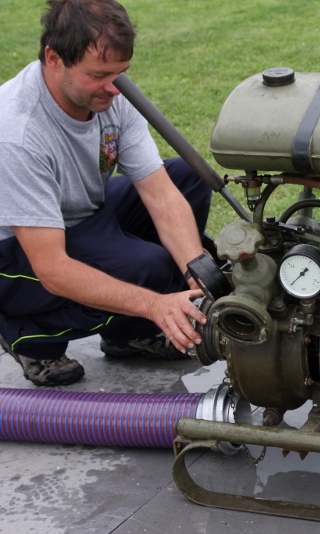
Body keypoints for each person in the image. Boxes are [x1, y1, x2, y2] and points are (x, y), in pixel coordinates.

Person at [0, 0, 212, 386]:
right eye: (99, 75)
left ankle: (128, 334)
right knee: (148, 269)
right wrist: (154, 303)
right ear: (54, 58)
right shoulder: (17, 132)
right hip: (15, 253)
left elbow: (162, 195)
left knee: (187, 178)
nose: (115, 87)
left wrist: (197, 272)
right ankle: (28, 337)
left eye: (122, 73)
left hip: (79, 215)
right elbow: (52, 269)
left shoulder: (112, 94)